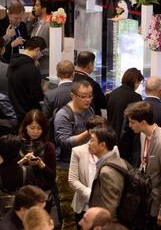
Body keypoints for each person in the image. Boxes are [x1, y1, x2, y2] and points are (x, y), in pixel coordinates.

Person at [125, 101, 161, 229]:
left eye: (132, 122)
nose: (129, 125)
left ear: (143, 123)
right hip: (151, 199)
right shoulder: (143, 135)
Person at [54, 80, 94, 229]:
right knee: (69, 213)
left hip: (86, 164)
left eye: (90, 96)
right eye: (84, 96)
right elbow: (63, 141)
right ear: (73, 96)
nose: (88, 99)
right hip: (66, 167)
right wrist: (87, 133)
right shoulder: (63, 115)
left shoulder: (89, 110)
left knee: (83, 212)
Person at [68, 115, 106, 229]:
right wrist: (90, 194)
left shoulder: (112, 150)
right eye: (96, 131)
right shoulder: (78, 151)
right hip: (83, 206)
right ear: (89, 132)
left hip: (104, 206)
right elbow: (72, 180)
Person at [88, 125, 128, 220]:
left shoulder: (107, 172)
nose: (89, 144)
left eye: (92, 140)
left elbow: (110, 208)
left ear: (102, 145)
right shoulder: (118, 160)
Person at [7, 37, 46, 122]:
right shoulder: (32, 69)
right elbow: (36, 97)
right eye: (41, 52)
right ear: (37, 50)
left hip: (14, 112)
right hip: (28, 115)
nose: (41, 55)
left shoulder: (12, 64)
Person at [17, 110, 56, 195]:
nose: (35, 132)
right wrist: (22, 161)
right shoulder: (17, 143)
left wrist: (40, 164)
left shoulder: (48, 146)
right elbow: (9, 170)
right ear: (25, 127)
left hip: (41, 192)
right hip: (20, 191)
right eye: (32, 128)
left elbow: (52, 175)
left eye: (39, 128)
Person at [106, 68, 143, 139]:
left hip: (110, 135)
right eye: (139, 83)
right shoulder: (136, 97)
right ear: (135, 81)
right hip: (125, 138)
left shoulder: (113, 93)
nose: (138, 86)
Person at [73, 51, 106, 116]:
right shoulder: (92, 84)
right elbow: (102, 103)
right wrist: (107, 96)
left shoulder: (71, 78)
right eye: (94, 63)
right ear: (90, 65)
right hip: (89, 119)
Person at [28, 0, 53, 77]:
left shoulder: (50, 25)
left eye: (37, 5)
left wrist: (38, 52)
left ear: (44, 9)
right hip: (34, 69)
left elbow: (55, 48)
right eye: (34, 5)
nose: (34, 7)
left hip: (45, 69)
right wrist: (29, 20)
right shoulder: (35, 24)